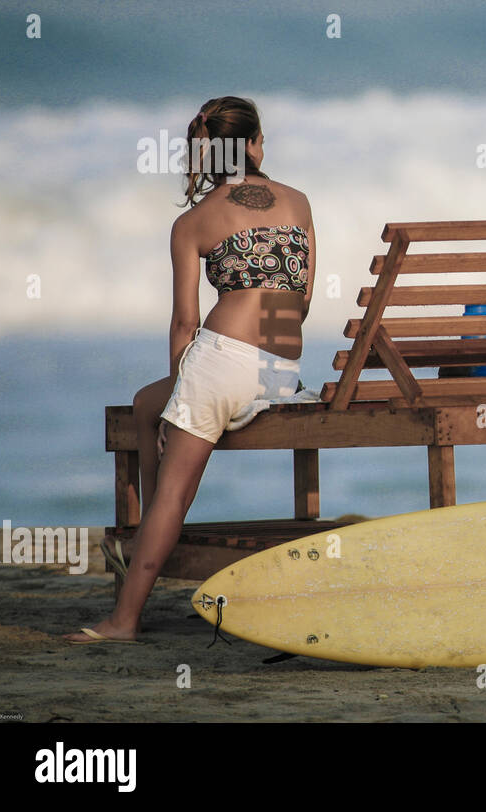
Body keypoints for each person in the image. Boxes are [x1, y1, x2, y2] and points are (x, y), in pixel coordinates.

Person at [64, 96, 316, 643]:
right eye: (261, 139)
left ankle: (123, 620)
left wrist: (187, 389)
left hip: (222, 360)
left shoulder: (194, 222)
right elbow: (301, 299)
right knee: (144, 405)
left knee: (176, 493)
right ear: (251, 146)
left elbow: (185, 324)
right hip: (279, 366)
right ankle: (147, 531)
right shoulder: (297, 202)